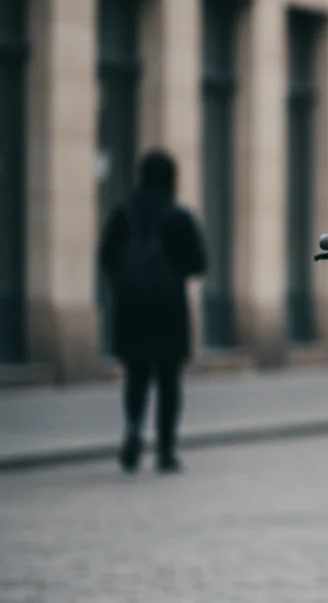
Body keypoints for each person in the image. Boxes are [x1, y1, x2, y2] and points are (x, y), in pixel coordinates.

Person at [98, 150, 207, 474]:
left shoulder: (123, 213)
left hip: (131, 308)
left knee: (136, 375)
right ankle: (165, 449)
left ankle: (133, 429)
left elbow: (106, 258)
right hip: (168, 309)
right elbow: (198, 263)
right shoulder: (177, 217)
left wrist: (128, 278)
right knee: (169, 380)